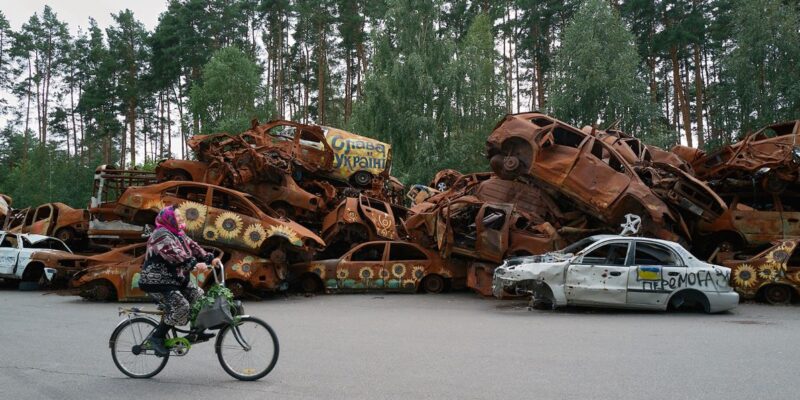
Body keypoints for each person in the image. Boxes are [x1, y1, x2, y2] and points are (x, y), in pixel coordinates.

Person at [139, 205, 221, 356]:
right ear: (169, 219)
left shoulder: (178, 233)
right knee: (181, 307)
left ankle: (196, 332)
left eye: (180, 216)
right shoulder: (161, 235)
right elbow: (175, 254)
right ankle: (156, 338)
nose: (181, 218)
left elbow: (194, 247)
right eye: (177, 216)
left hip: (175, 279)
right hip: (157, 282)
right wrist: (195, 264)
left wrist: (209, 258)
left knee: (200, 297)